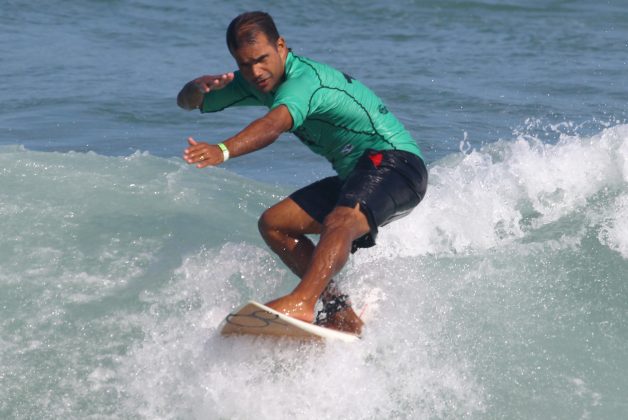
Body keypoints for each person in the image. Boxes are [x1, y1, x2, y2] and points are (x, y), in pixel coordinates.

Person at [177, 11, 428, 335]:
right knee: (275, 224)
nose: (256, 72)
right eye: (244, 64)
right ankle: (341, 313)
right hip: (356, 175)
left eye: (262, 59)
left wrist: (222, 150)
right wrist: (197, 87)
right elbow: (188, 103)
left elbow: (273, 125)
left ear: (281, 46)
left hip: (397, 164)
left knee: (340, 221)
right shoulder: (254, 82)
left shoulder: (303, 81)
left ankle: (303, 302)